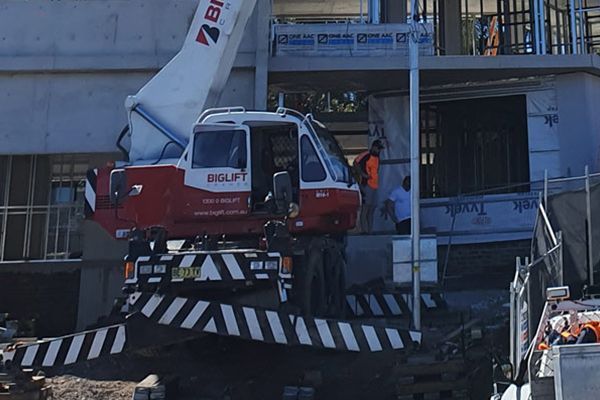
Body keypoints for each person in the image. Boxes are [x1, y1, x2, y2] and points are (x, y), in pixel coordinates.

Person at [354, 140, 384, 234]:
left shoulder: (377, 157)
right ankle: (364, 230)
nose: (379, 151)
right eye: (378, 148)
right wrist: (363, 174)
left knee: (372, 209)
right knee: (365, 208)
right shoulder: (366, 154)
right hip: (366, 185)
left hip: (375, 185)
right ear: (374, 147)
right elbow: (355, 163)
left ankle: (370, 230)